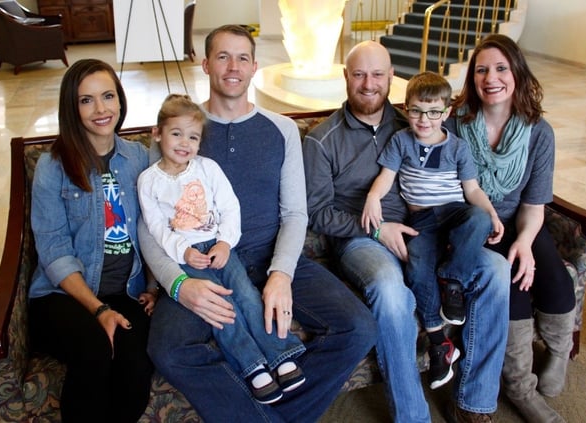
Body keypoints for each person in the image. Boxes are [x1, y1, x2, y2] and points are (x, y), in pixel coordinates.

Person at [139, 25, 378, 422]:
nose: (233, 67)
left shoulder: (282, 129)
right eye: (222, 57)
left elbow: (295, 214)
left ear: (254, 67)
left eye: (243, 58)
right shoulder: (180, 130)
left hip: (271, 256)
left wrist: (282, 274)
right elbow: (150, 226)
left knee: (358, 328)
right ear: (205, 65)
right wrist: (178, 285)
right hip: (199, 262)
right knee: (168, 349)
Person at [302, 40, 510, 423]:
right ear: (346, 78)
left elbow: (463, 179)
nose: (369, 84)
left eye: (378, 74)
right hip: (362, 240)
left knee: (496, 270)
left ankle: (474, 403)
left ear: (391, 78)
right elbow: (317, 213)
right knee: (389, 289)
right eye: (359, 74)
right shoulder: (321, 139)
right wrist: (379, 230)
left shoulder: (413, 124)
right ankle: (413, 417)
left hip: (424, 233)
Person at [137, 94, 306, 404]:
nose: (184, 143)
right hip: (186, 256)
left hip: (219, 247)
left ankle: (281, 354)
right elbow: (156, 227)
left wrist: (226, 242)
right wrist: (183, 252)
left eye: (193, 137)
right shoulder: (149, 181)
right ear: (157, 133)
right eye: (176, 134)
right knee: (220, 308)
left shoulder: (207, 168)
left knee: (245, 294)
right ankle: (252, 366)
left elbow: (230, 207)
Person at [445, 33, 575, 423]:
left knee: (553, 278)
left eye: (501, 68)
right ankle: (521, 388)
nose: (491, 77)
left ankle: (558, 352)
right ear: (472, 78)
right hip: (473, 227)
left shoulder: (538, 132)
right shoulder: (453, 124)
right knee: (514, 289)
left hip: (521, 222)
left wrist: (525, 242)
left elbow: (535, 204)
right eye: (482, 69)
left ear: (517, 73)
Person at [27, 59, 157, 423]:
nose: (101, 110)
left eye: (108, 96)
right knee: (96, 348)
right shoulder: (53, 167)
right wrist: (98, 310)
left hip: (125, 292)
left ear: (120, 100)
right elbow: (53, 249)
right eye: (86, 101)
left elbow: (154, 229)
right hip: (64, 296)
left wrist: (153, 287)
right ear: (72, 107)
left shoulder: (139, 157)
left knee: (136, 363)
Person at [361, 70, 504, 390]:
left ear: (447, 112)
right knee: (416, 267)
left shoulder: (457, 148)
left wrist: (491, 213)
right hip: (423, 220)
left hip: (454, 214)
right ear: (407, 108)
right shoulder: (401, 141)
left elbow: (473, 191)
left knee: (478, 220)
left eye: (434, 112)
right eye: (416, 111)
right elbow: (386, 177)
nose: (424, 119)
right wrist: (373, 196)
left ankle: (452, 280)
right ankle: (440, 344)